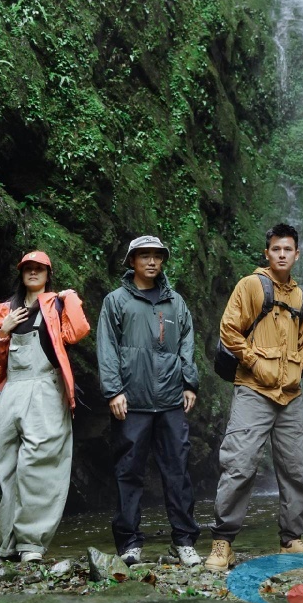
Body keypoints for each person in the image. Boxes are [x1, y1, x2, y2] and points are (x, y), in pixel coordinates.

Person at [205, 223, 303, 571]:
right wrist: (255, 362)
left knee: (297, 470)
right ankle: (222, 543)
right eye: (276, 249)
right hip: (253, 390)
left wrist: (302, 364)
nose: (282, 254)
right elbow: (229, 330)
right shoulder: (251, 286)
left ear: (297, 254)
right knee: (239, 465)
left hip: (290, 396)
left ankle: (291, 540)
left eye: (288, 249)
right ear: (267, 253)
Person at [0, 250, 90, 568]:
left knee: (39, 464)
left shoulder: (55, 303)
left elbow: (77, 333)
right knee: (8, 467)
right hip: (13, 388)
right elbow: (0, 356)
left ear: (48, 274)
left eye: (40, 269)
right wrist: (4, 329)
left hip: (45, 388)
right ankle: (7, 546)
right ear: (21, 272)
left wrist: (72, 298)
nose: (34, 272)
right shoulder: (5, 309)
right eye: (29, 268)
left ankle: (31, 543)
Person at [97, 236, 201, 568]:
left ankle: (184, 541)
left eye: (157, 256)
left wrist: (189, 383)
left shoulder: (175, 303)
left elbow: (186, 342)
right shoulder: (116, 302)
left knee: (178, 471)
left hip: (171, 400)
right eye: (144, 256)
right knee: (129, 472)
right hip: (132, 401)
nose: (152, 262)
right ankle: (129, 543)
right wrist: (113, 391)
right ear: (131, 261)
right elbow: (107, 347)